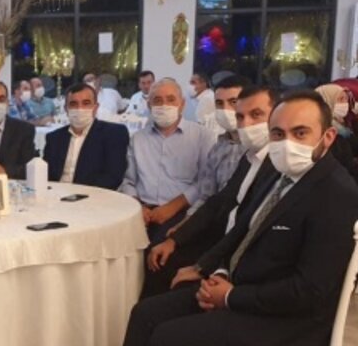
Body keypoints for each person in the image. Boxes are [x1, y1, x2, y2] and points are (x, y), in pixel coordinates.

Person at [52, 90, 358, 346]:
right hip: (248, 293)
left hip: (291, 324)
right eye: (279, 134)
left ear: (327, 137)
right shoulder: (280, 172)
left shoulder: (336, 196)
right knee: (148, 313)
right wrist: (212, 272)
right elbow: (243, 230)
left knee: (171, 339)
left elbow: (309, 292)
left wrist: (230, 298)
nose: (287, 143)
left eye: (300, 133)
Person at [143, 84, 279, 298]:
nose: (245, 123)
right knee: (160, 256)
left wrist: (206, 267)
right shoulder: (241, 154)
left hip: (238, 255)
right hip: (216, 231)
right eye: (240, 115)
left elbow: (247, 225)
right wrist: (178, 236)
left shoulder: (277, 162)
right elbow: (213, 199)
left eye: (256, 114)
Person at [119, 78, 217, 244]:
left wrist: (172, 208)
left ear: (182, 104)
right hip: (140, 210)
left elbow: (205, 181)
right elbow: (128, 181)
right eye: (157, 100)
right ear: (149, 105)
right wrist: (137, 206)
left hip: (180, 210)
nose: (164, 105)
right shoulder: (138, 138)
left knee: (159, 250)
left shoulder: (202, 136)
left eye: (171, 100)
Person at [41, 83, 129, 189]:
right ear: (66, 109)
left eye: (86, 103)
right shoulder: (54, 138)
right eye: (73, 104)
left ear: (95, 107)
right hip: (56, 194)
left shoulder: (113, 134)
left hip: (93, 195)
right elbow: (46, 176)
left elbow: (113, 177)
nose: (80, 108)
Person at [192, 75, 252, 214]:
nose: (225, 109)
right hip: (215, 218)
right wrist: (188, 221)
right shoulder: (218, 148)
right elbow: (205, 197)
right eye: (219, 103)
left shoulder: (258, 147)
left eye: (233, 102)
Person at [315, 84, 358, 187]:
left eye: (346, 100)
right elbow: (336, 167)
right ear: (326, 101)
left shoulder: (342, 125)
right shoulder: (323, 133)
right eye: (340, 99)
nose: (345, 104)